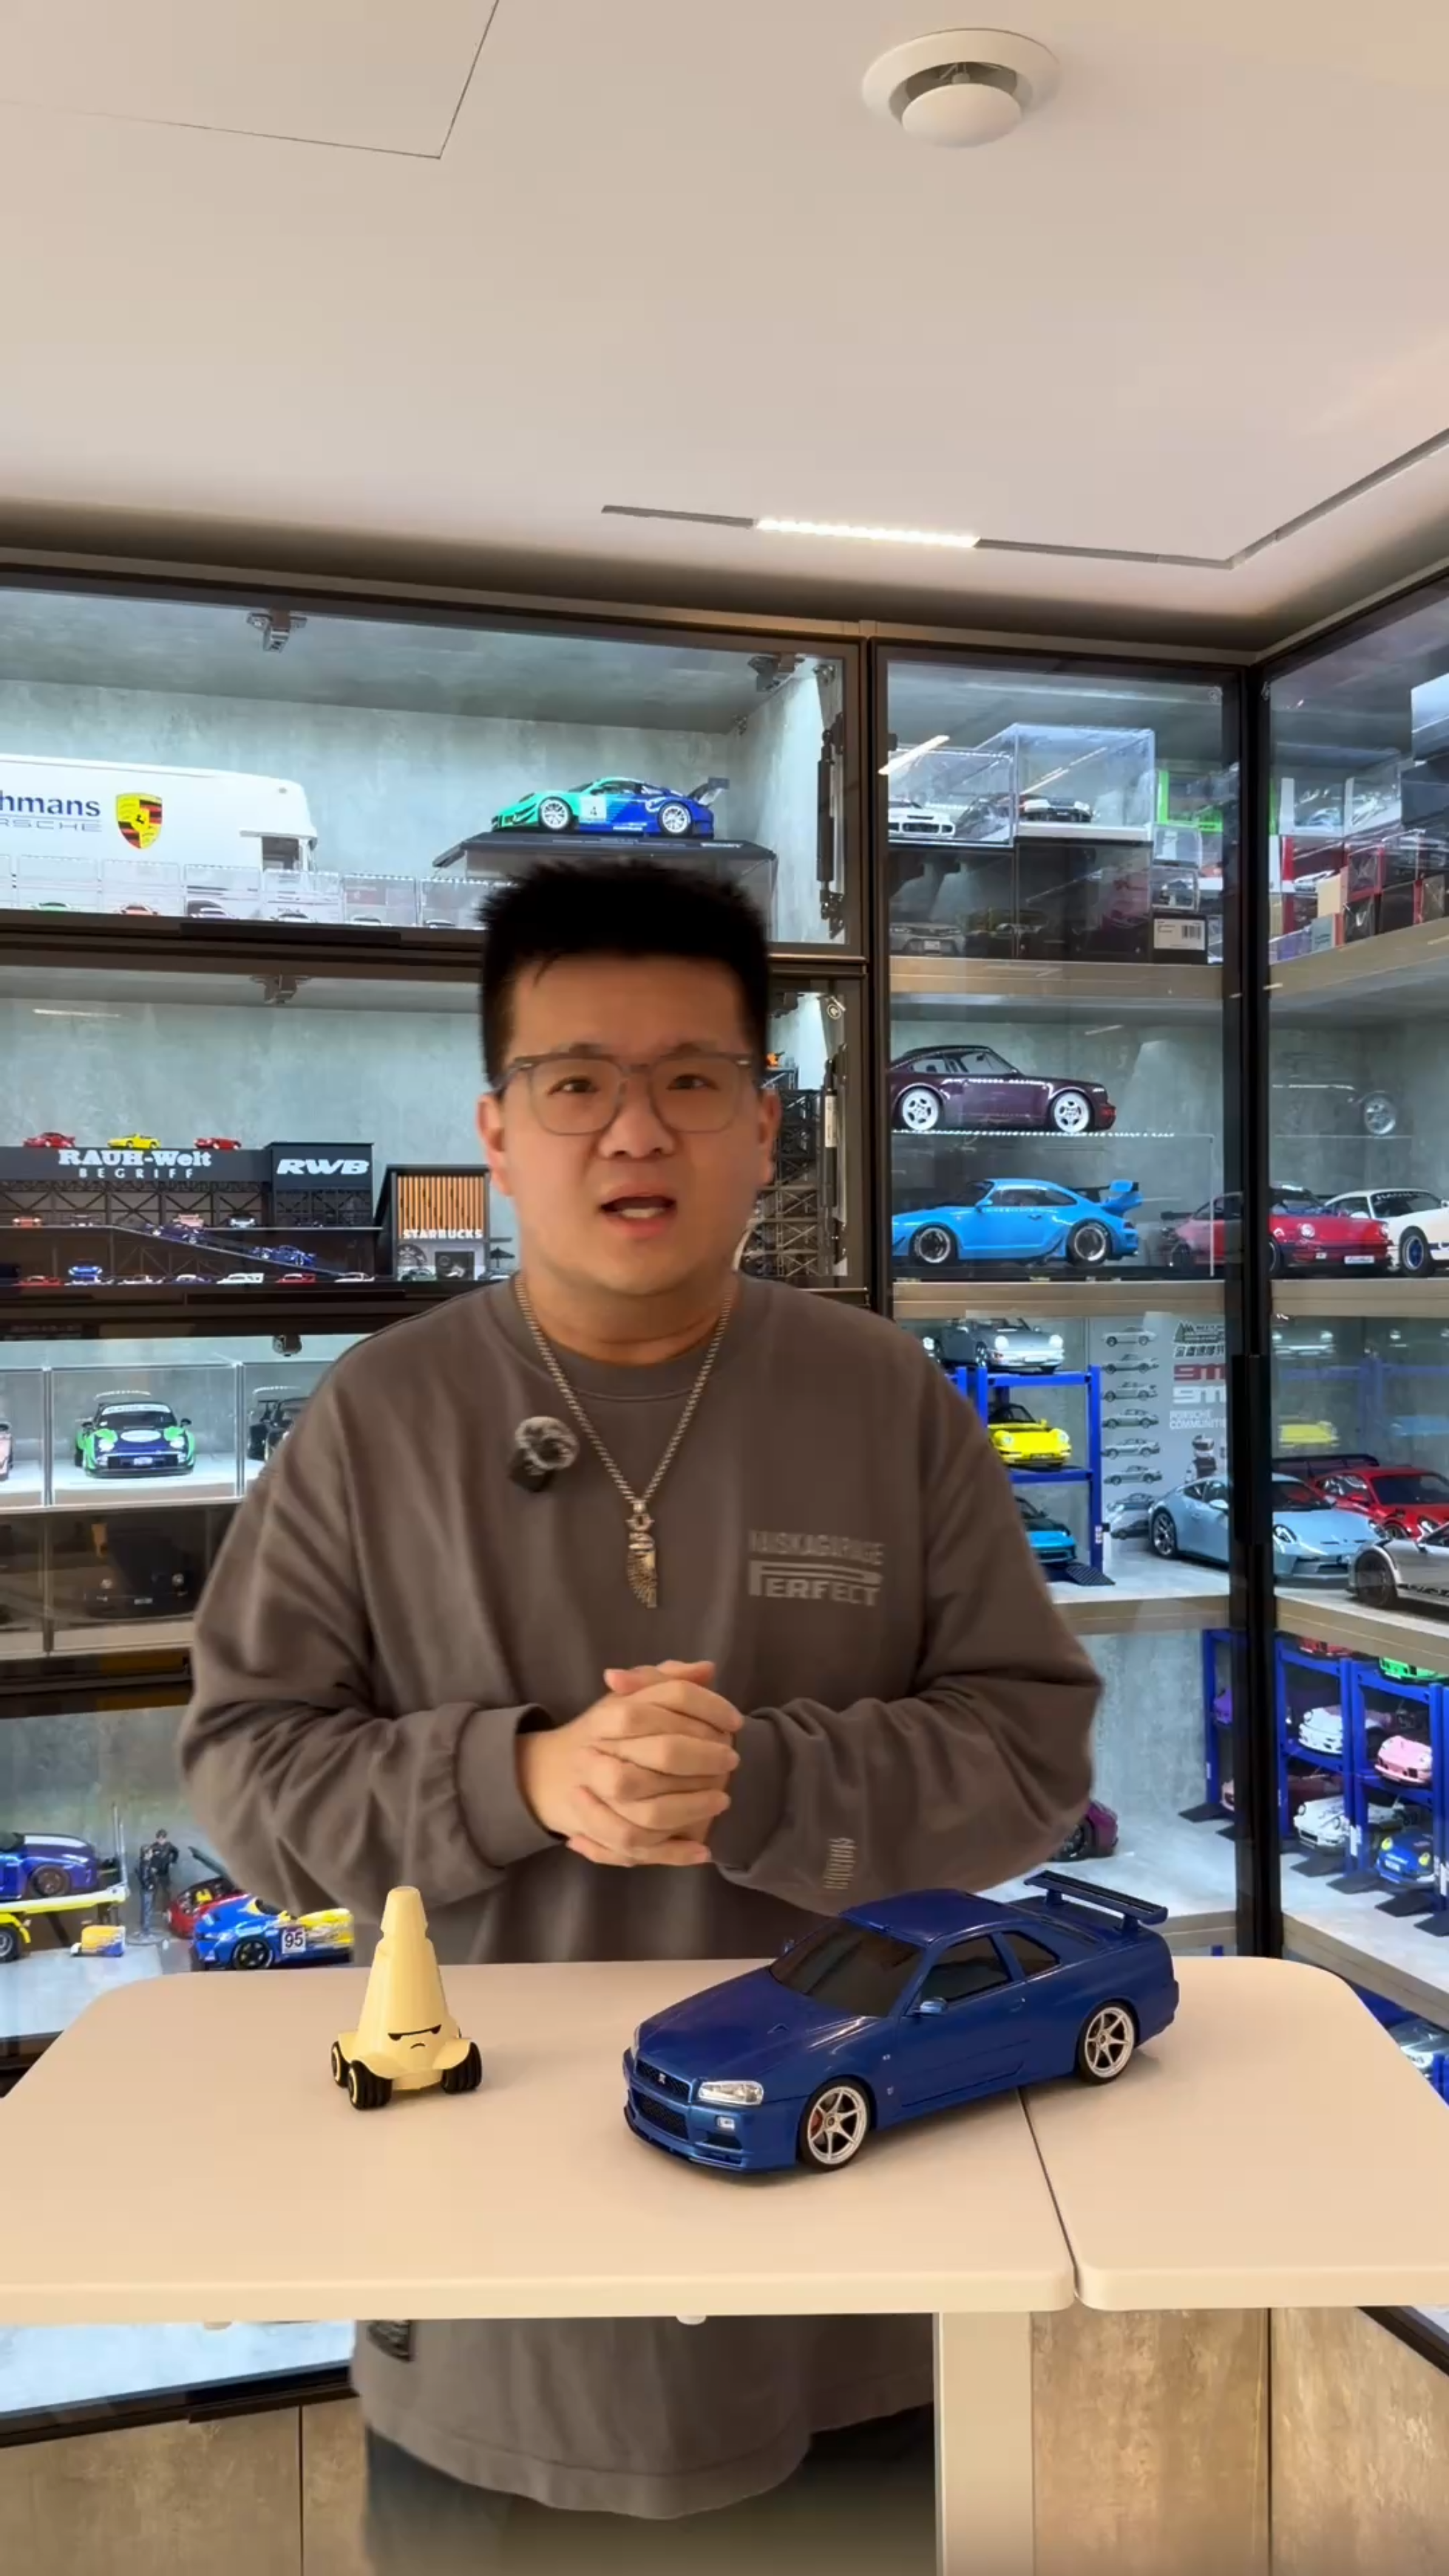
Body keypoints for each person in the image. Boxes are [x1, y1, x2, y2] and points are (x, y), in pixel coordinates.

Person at [181, 857, 1098, 2566]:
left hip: (856, 2294)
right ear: (496, 1128)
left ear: (763, 1127)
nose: (633, 1130)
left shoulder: (882, 1398)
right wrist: (521, 1774)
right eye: (574, 1082)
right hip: (489, 2316)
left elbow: (1029, 1748)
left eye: (690, 1078)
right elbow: (245, 1769)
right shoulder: (377, 1419)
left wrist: (761, 1779)